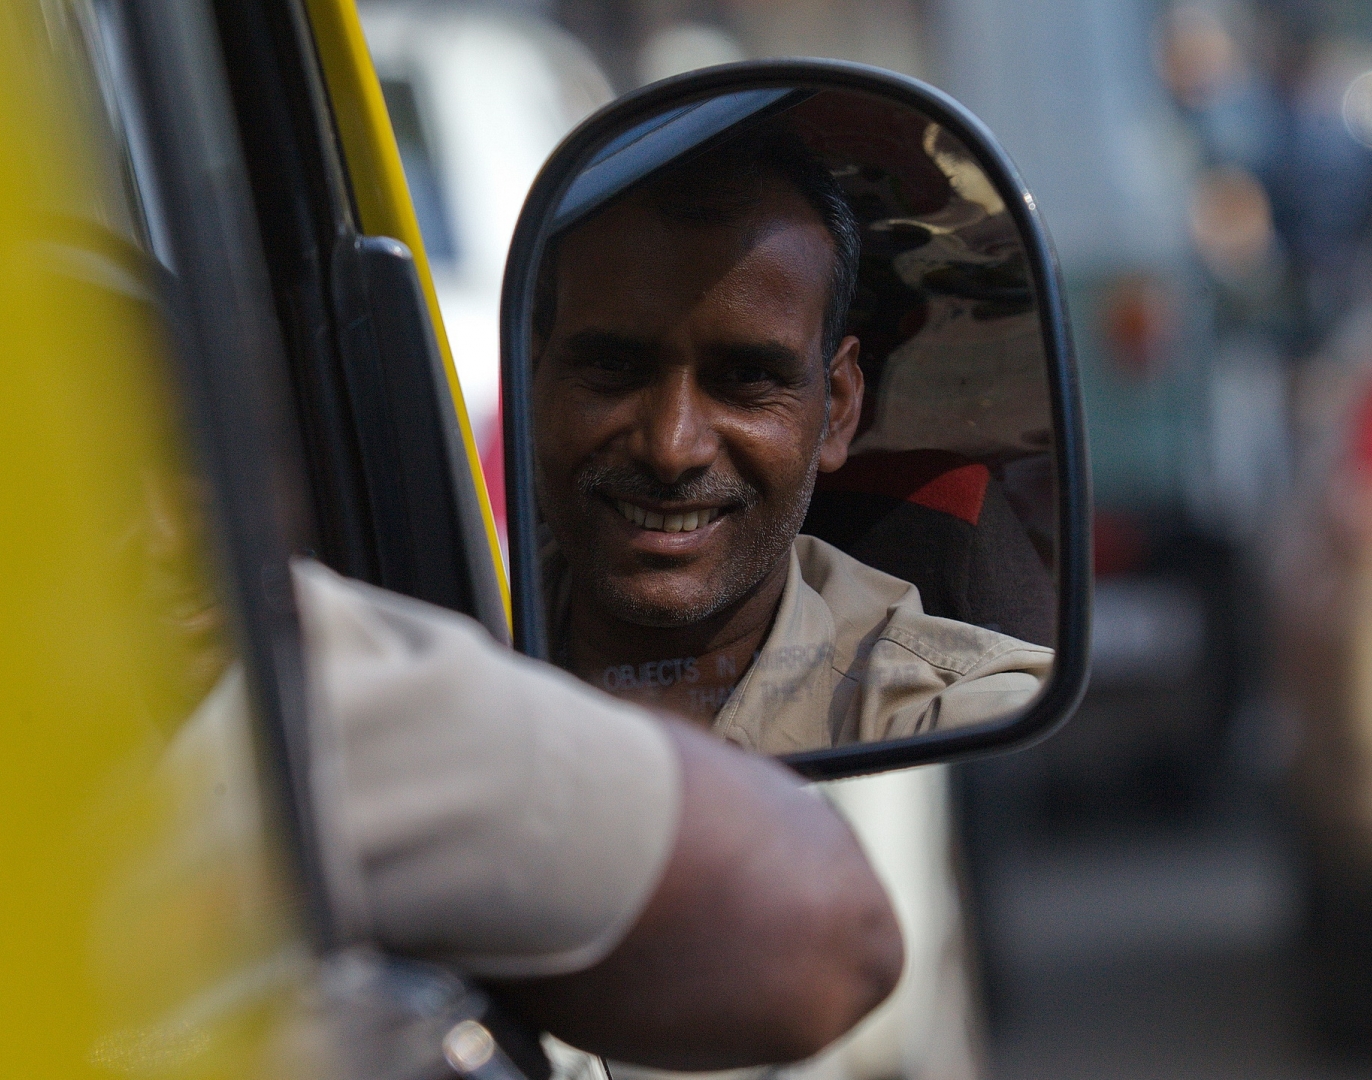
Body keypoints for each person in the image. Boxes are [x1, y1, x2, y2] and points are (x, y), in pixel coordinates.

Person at [531, 123, 1052, 752]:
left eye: (747, 377)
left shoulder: (950, 714)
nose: (670, 447)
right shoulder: (436, 632)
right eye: (613, 368)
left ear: (835, 409)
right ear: (531, 377)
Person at [295, 559, 904, 1071]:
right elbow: (833, 935)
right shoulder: (281, 694)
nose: (673, 448)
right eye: (609, 404)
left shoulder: (921, 670)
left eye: (746, 405)